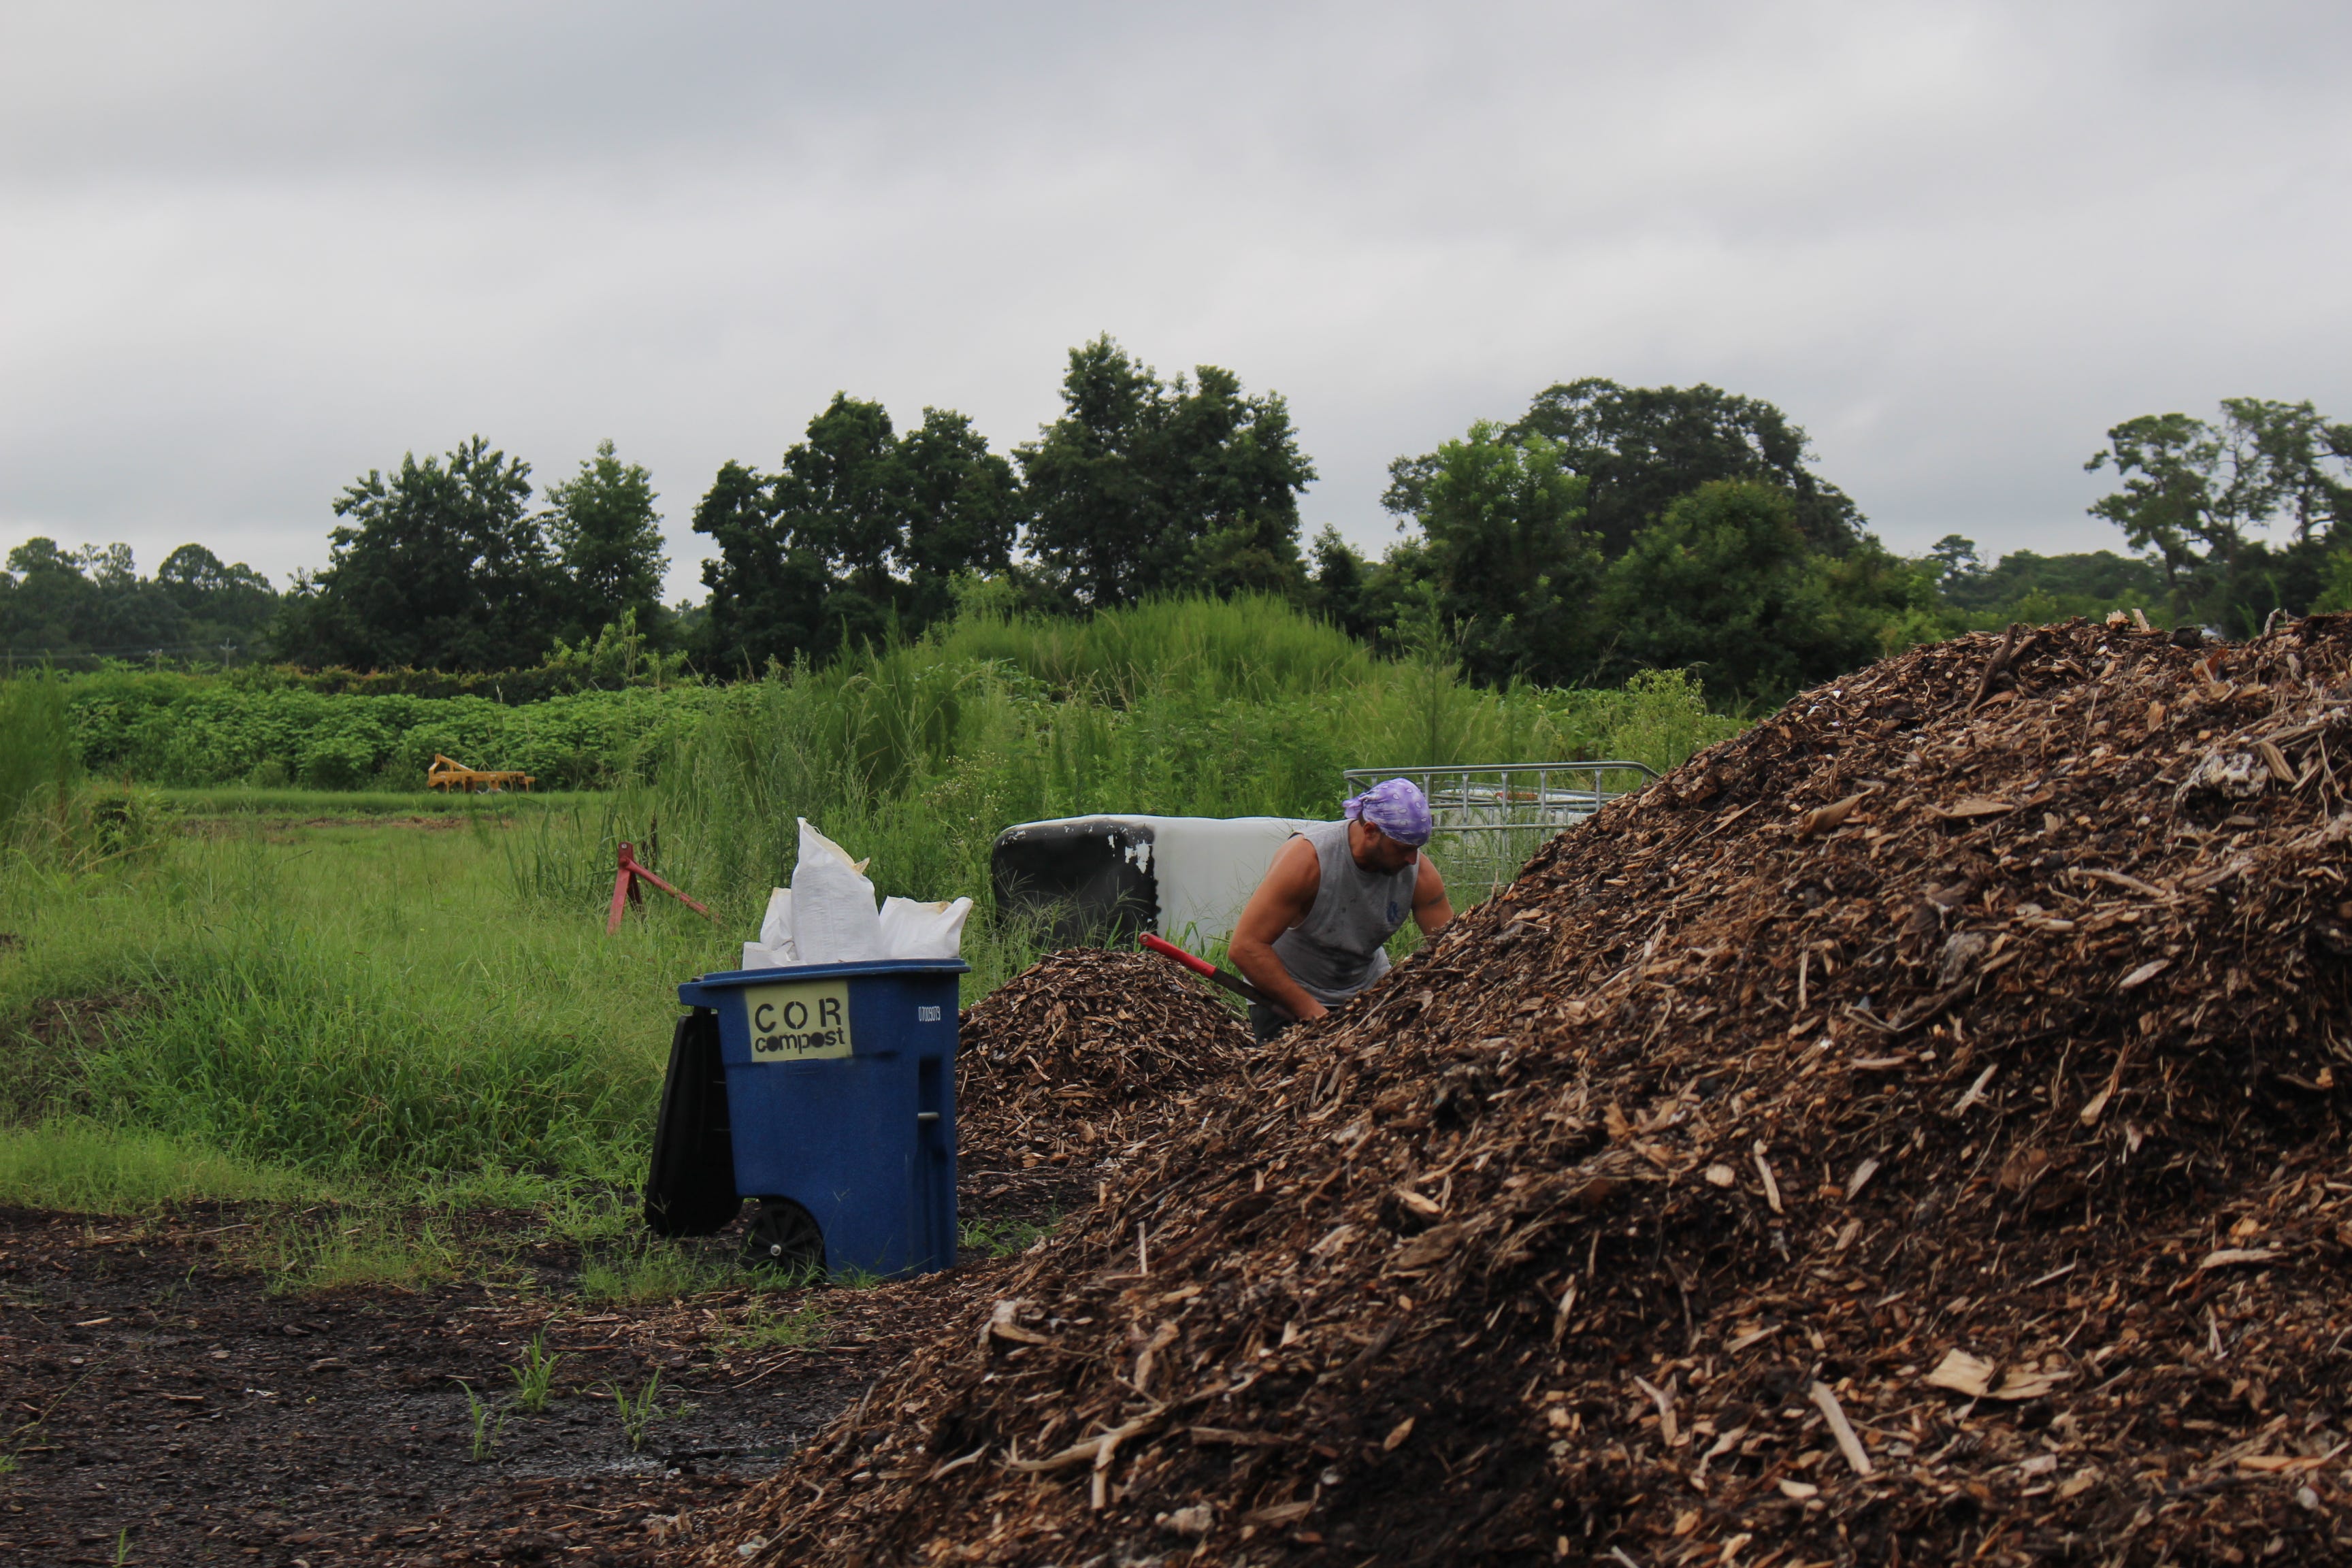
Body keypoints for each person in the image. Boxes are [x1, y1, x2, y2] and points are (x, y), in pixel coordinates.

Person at [1228, 778, 1454, 1041]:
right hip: (1289, 991)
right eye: (1403, 848)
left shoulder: (1419, 874)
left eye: (1417, 849)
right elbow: (1246, 947)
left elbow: (1452, 949)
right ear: (1370, 831)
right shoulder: (1308, 860)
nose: (1412, 859)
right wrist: (1315, 1016)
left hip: (1363, 991)